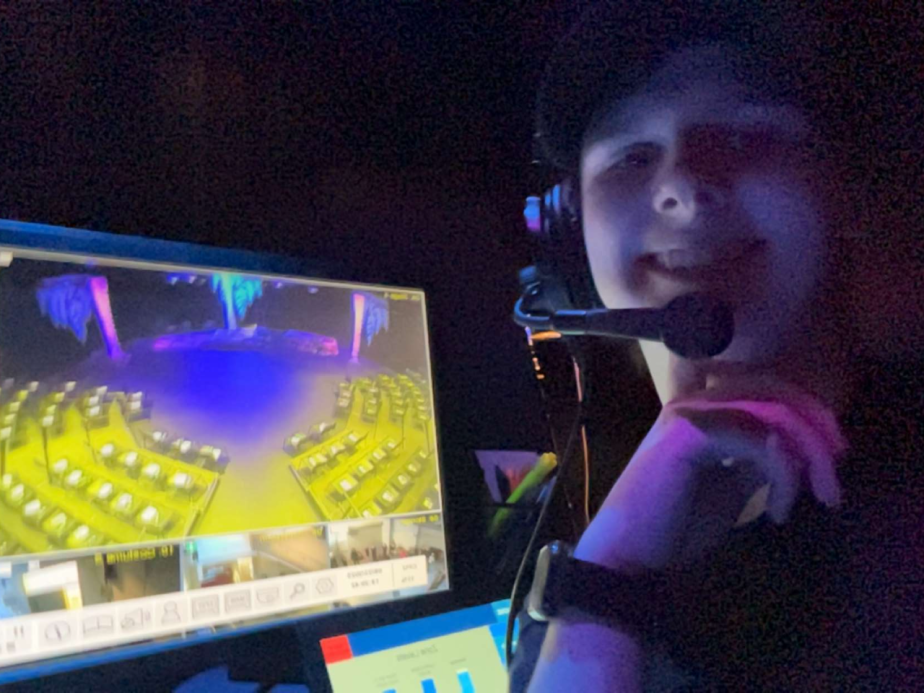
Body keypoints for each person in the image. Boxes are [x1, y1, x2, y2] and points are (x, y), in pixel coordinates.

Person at [510, 1, 924, 691]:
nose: (682, 185)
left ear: (846, 189)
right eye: (632, 156)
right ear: (571, 230)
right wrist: (611, 569)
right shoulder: (621, 523)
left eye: (743, 134)